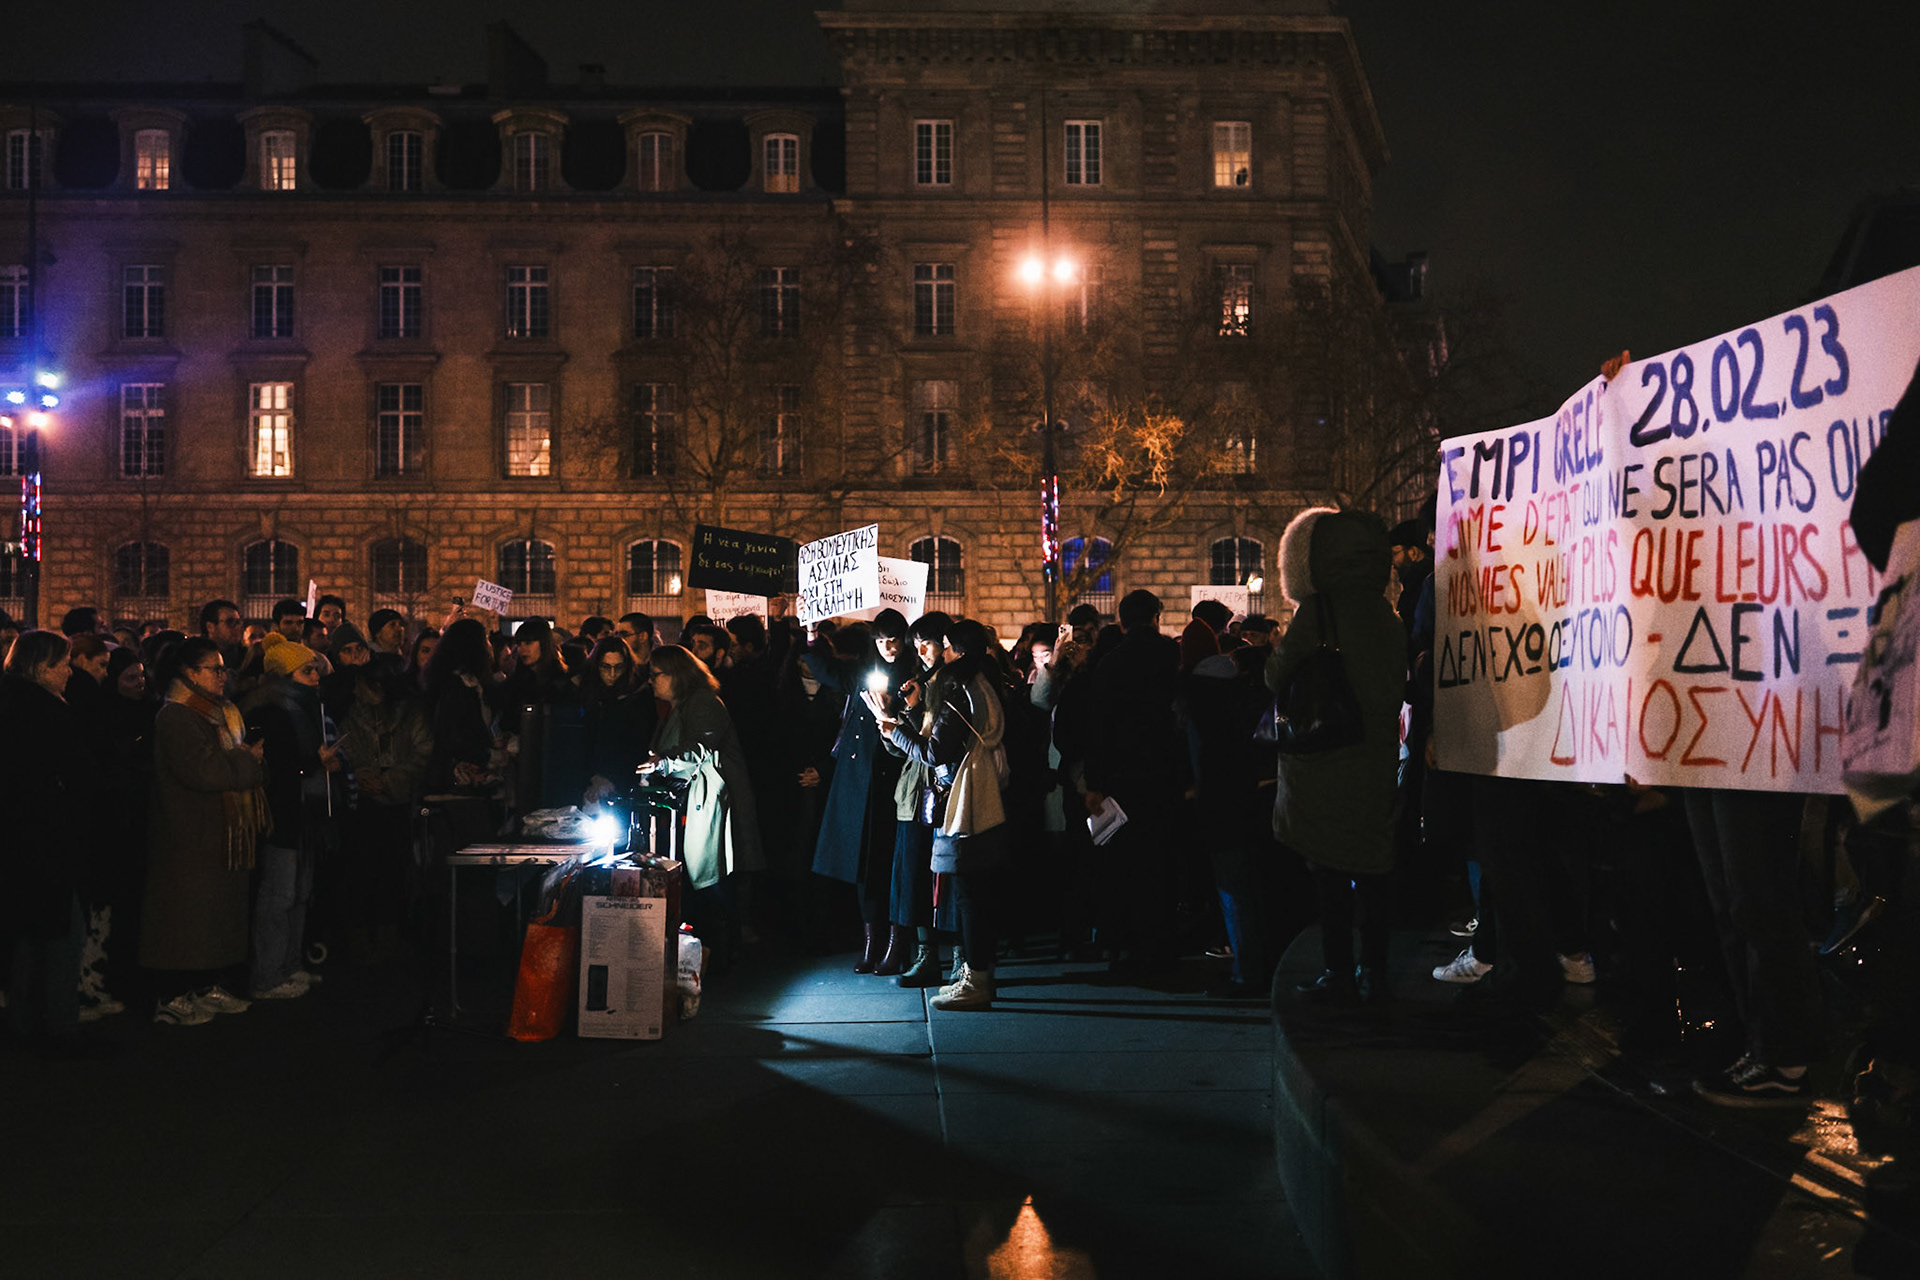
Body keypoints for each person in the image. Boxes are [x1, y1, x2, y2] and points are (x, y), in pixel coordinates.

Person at [1267, 508, 1408, 1003]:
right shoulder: (1387, 614)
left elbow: (1274, 677)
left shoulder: (1317, 612)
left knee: (1327, 874)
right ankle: (1376, 971)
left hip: (1322, 762)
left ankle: (1339, 972)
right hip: (1373, 760)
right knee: (1373, 870)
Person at [875, 618, 1011, 1010]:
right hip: (983, 791)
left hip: (967, 796)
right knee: (975, 893)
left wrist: (894, 731)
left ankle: (975, 980)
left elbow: (935, 753)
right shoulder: (985, 682)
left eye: (946, 646)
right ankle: (977, 975)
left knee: (968, 893)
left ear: (959, 652)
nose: (941, 653)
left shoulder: (957, 688)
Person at [139, 637, 269, 1026]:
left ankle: (207, 983)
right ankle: (173, 993)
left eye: (224, 668)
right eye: (214, 669)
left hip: (221, 831)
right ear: (189, 673)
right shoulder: (177, 715)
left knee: (214, 915)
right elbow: (204, 771)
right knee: (185, 916)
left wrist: (244, 762)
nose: (223, 675)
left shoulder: (221, 712)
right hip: (189, 832)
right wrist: (247, 762)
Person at [0, 631, 105, 1050]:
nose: (68, 671)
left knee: (26, 935)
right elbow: (80, 777)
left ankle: (23, 1022)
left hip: (18, 838)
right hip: (48, 838)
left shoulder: (11, 703)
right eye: (63, 664)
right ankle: (61, 1027)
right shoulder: (47, 712)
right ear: (43, 668)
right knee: (64, 935)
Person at [802, 611, 914, 972]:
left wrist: (893, 715)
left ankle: (898, 944)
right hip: (859, 781)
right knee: (864, 865)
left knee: (893, 865)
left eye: (894, 639)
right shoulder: (864, 672)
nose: (889, 647)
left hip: (894, 783)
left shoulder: (914, 676)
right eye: (881, 640)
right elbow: (828, 672)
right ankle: (872, 942)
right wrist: (812, 635)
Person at [643, 644, 764, 966]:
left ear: (676, 675)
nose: (651, 681)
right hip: (700, 804)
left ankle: (722, 950)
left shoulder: (702, 703)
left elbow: (700, 747)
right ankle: (716, 948)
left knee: (712, 877)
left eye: (656, 675)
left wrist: (663, 763)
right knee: (706, 877)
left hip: (713, 805)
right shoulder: (682, 706)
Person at [240, 636, 341, 998]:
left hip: (305, 811)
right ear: (285, 675)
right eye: (307, 670)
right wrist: (316, 762)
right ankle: (267, 974)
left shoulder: (306, 707)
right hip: (284, 812)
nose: (315, 676)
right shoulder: (271, 711)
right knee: (279, 894)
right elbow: (278, 765)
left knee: (300, 892)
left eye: (314, 669)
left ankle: (288, 964)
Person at [334, 663, 429, 963]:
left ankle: (389, 935)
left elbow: (423, 751)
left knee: (394, 870)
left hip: (397, 802)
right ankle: (361, 937)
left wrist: (389, 780)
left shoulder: (410, 713)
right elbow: (340, 749)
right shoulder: (349, 714)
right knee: (361, 870)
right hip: (362, 804)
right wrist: (361, 776)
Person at [579, 635, 657, 804]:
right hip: (589, 779)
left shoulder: (639, 695)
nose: (612, 674)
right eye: (606, 667)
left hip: (625, 781)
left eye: (618, 668)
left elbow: (637, 743)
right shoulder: (585, 693)